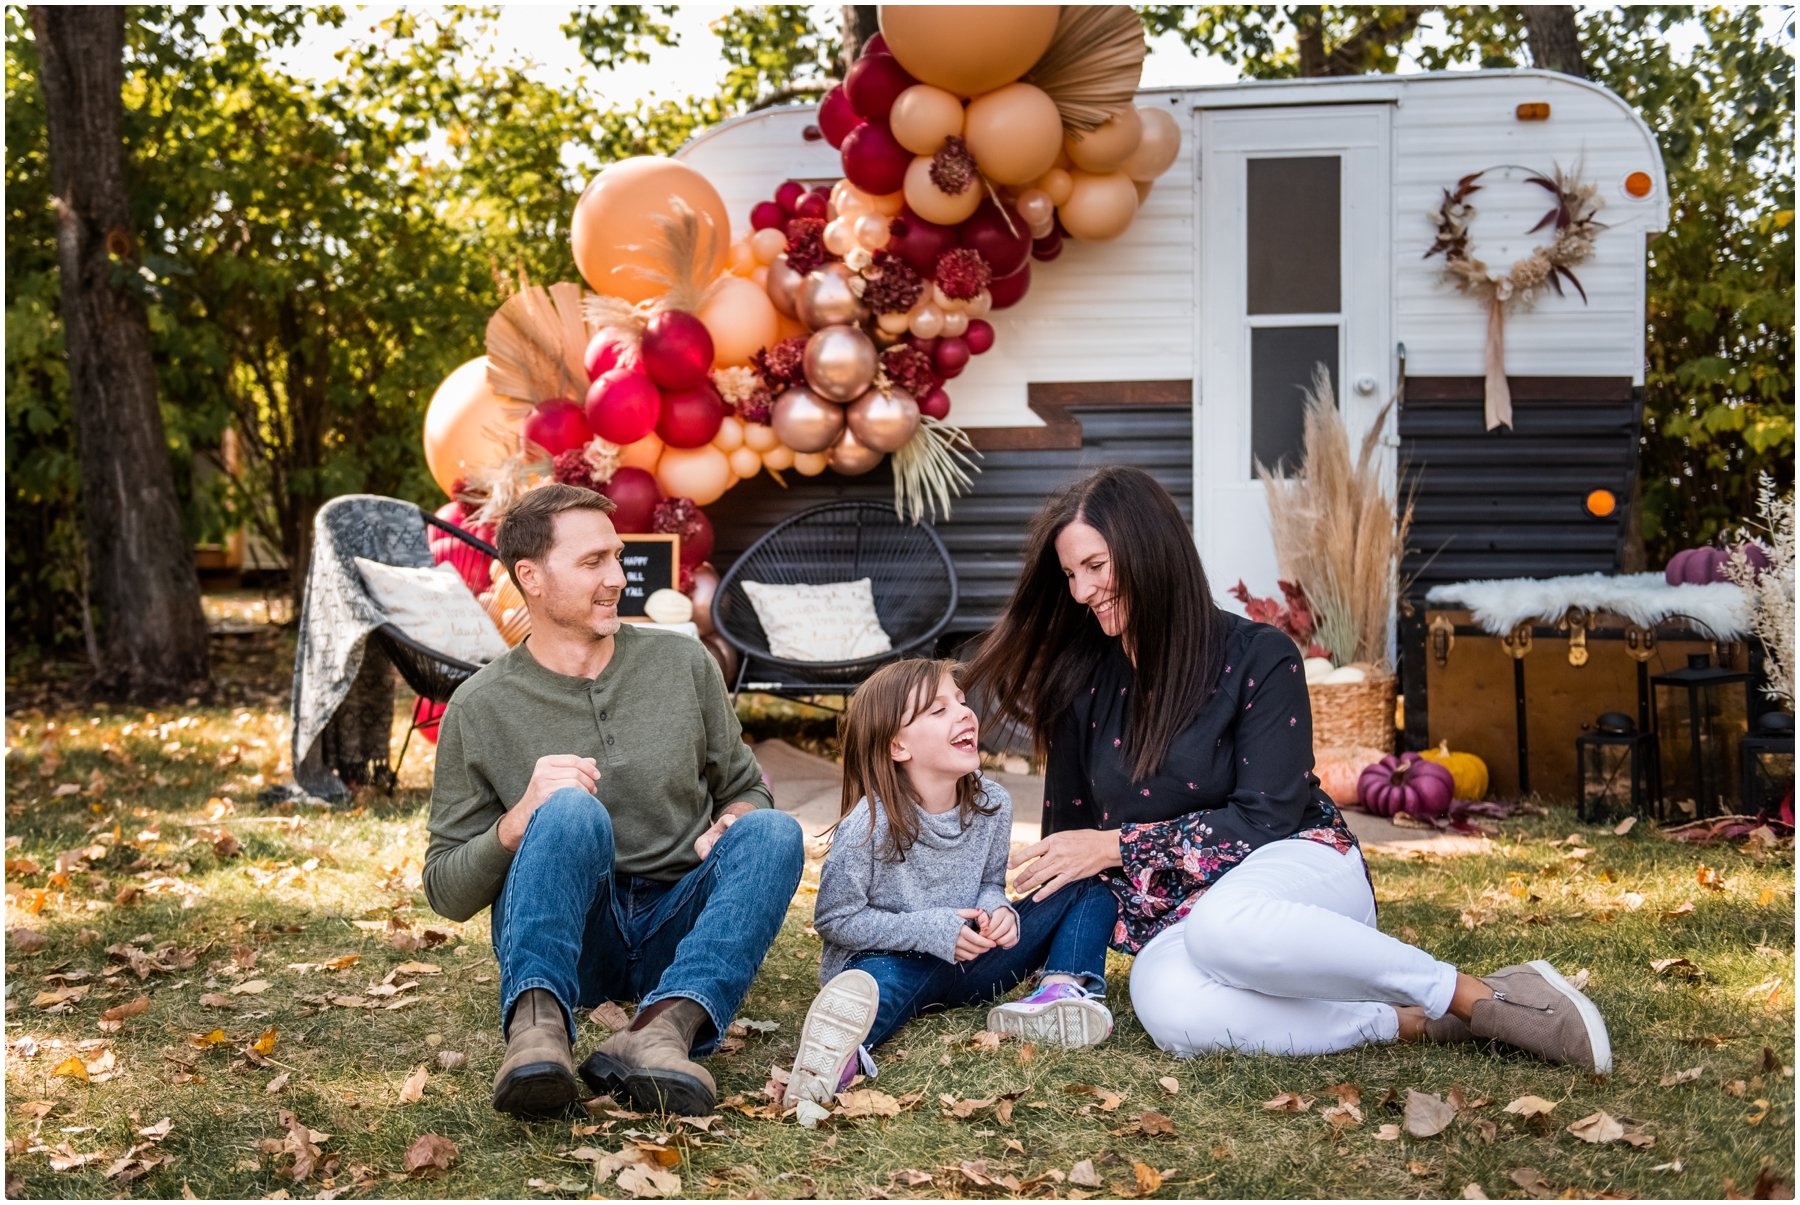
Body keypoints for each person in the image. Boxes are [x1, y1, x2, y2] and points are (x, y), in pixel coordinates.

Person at [964, 465, 1611, 1070]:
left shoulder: (1257, 654)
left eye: (1095, 566)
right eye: (1071, 574)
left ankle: (1479, 995)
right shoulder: (1083, 683)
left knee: (1225, 927)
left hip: (1297, 865)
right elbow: (1074, 854)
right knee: (1169, 1011)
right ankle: (1410, 1022)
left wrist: (1118, 843)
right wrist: (995, 931)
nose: (1082, 591)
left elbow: (1264, 814)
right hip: (1181, 912)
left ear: (1149, 548)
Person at [424, 483, 804, 1119]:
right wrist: (518, 822)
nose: (616, 578)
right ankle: (537, 1031)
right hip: (577, 938)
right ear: (532, 578)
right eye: (591, 561)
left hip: (676, 929)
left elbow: (744, 786)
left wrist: (733, 821)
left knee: (775, 832)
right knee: (568, 809)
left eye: (616, 556)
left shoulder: (683, 664)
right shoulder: (479, 706)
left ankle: (661, 1029)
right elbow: (446, 889)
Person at [785, 659, 1118, 1105]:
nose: (964, 713)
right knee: (875, 983)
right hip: (894, 961)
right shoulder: (870, 823)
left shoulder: (992, 804)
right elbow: (835, 920)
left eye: (961, 702)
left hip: (974, 960)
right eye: (938, 710)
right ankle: (839, 1058)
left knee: (1087, 881)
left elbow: (988, 884)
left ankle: (1057, 991)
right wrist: (930, 930)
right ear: (897, 746)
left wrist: (999, 910)